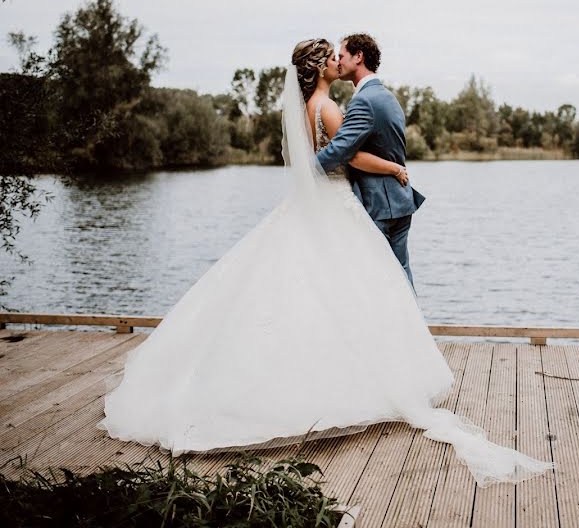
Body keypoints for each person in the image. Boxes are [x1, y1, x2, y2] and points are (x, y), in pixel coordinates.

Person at [98, 37, 552, 487]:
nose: (337, 61)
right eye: (332, 57)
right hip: (336, 203)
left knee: (309, 290)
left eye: (340, 54)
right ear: (320, 69)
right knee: (353, 288)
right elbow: (349, 157)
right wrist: (394, 168)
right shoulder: (330, 107)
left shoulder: (303, 109)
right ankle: (368, 375)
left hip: (313, 204)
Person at [315, 33, 424, 286]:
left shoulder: (365, 101)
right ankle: (410, 325)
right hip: (398, 199)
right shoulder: (387, 96)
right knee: (400, 274)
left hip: (380, 204)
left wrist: (306, 170)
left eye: (341, 55)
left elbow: (339, 151)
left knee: (379, 281)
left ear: (358, 57)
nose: (338, 61)